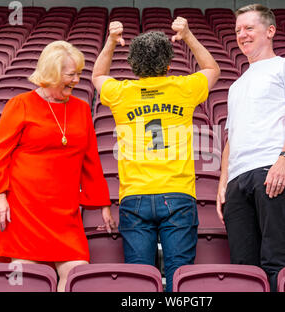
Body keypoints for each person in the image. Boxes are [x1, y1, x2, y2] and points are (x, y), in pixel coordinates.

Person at [92, 18, 220, 291]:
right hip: (177, 193)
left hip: (135, 195)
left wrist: (111, 42)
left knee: (140, 277)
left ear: (133, 65)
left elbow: (97, 76)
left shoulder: (121, 92)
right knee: (179, 275)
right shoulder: (183, 88)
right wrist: (186, 35)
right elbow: (212, 68)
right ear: (168, 64)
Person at [0, 40, 116, 292]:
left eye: (79, 73)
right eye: (71, 74)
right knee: (28, 277)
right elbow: (0, 156)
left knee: (77, 272)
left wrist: (102, 205)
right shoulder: (20, 104)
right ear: (52, 73)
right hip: (25, 208)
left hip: (65, 211)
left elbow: (90, 159)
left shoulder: (81, 108)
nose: (77, 80)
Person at [216, 4, 285, 292]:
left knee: (275, 259)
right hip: (238, 180)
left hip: (272, 169)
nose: (241, 35)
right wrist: (223, 184)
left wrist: (284, 159)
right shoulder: (236, 86)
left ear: (270, 31)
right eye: (237, 30)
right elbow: (232, 138)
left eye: (248, 28)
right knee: (244, 267)